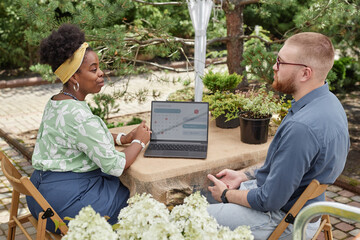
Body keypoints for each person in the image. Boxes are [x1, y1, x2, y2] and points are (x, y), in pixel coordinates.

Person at [206, 32, 350, 239]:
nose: (274, 66)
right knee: (204, 195)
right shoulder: (329, 102)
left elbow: (268, 201)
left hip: (286, 219)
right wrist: (245, 175)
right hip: (306, 205)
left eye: (281, 62)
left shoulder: (302, 128)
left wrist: (227, 195)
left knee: (190, 217)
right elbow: (287, 168)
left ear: (305, 73)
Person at [26, 24, 151, 233]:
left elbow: (83, 136)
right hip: (63, 208)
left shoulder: (57, 102)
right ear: (74, 77)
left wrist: (123, 138)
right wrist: (139, 141)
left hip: (39, 198)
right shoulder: (80, 117)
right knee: (139, 199)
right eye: (93, 69)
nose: (101, 73)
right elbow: (116, 165)